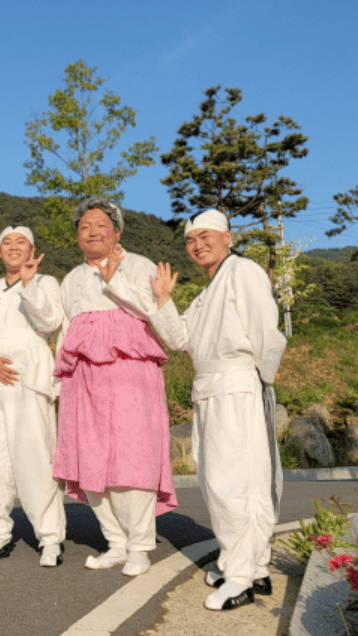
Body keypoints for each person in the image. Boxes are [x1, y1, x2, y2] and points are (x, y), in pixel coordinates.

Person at [150, 209, 287, 611]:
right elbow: (179, 339)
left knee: (236, 485)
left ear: (228, 237)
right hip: (210, 388)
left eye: (206, 236)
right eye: (191, 240)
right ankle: (252, 567)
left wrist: (259, 381)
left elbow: (267, 331)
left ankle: (240, 577)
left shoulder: (243, 271)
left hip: (237, 386)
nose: (198, 245)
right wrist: (163, 301)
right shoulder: (207, 291)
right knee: (223, 481)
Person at [53, 197, 178, 577]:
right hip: (84, 378)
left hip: (129, 375)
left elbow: (151, 309)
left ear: (117, 232)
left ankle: (140, 546)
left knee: (132, 460)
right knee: (89, 459)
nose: (91, 232)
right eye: (84, 227)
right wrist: (58, 384)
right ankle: (116, 543)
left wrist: (114, 281)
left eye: (100, 225)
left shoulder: (139, 265)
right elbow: (65, 330)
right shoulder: (72, 278)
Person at [0, 226, 67, 567]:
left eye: (20, 242)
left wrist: (28, 284)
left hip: (28, 379)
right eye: (6, 243)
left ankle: (50, 537)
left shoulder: (46, 282)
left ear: (32, 249)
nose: (12, 248)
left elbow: (51, 321)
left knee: (34, 458)